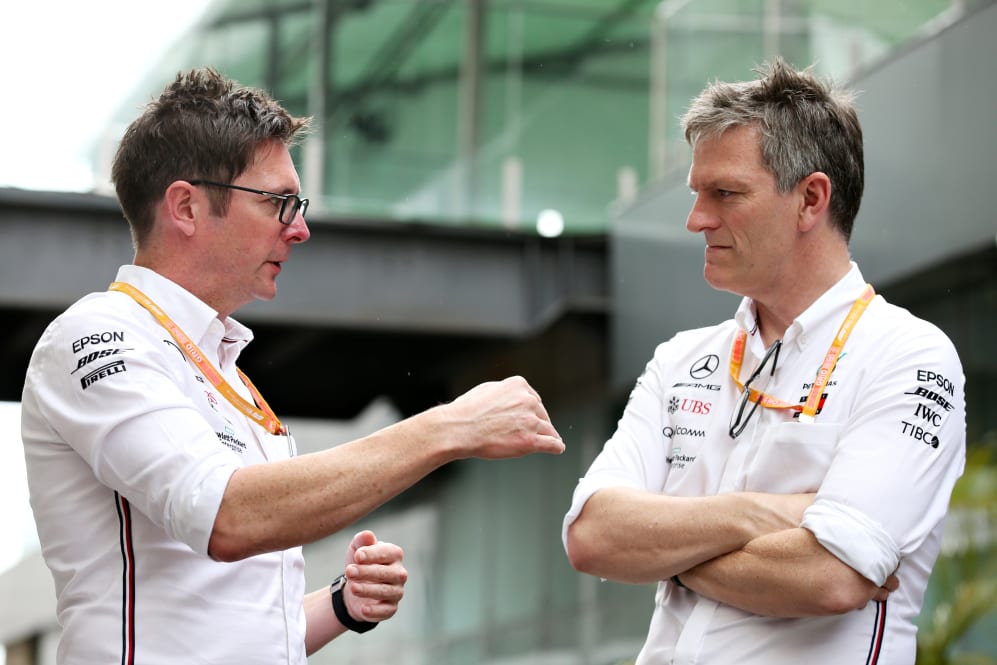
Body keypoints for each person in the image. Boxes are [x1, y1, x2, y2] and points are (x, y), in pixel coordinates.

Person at [20, 67, 564, 665]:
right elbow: (227, 516)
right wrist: (450, 426)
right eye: (279, 203)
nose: (300, 229)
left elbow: (232, 625)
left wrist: (342, 605)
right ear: (186, 207)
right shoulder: (100, 334)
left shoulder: (222, 368)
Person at [562, 59, 965, 664]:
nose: (696, 220)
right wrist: (758, 516)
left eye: (725, 193)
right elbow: (593, 537)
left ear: (811, 199)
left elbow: (828, 577)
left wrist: (665, 552)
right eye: (697, 194)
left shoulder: (908, 356)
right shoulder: (681, 358)